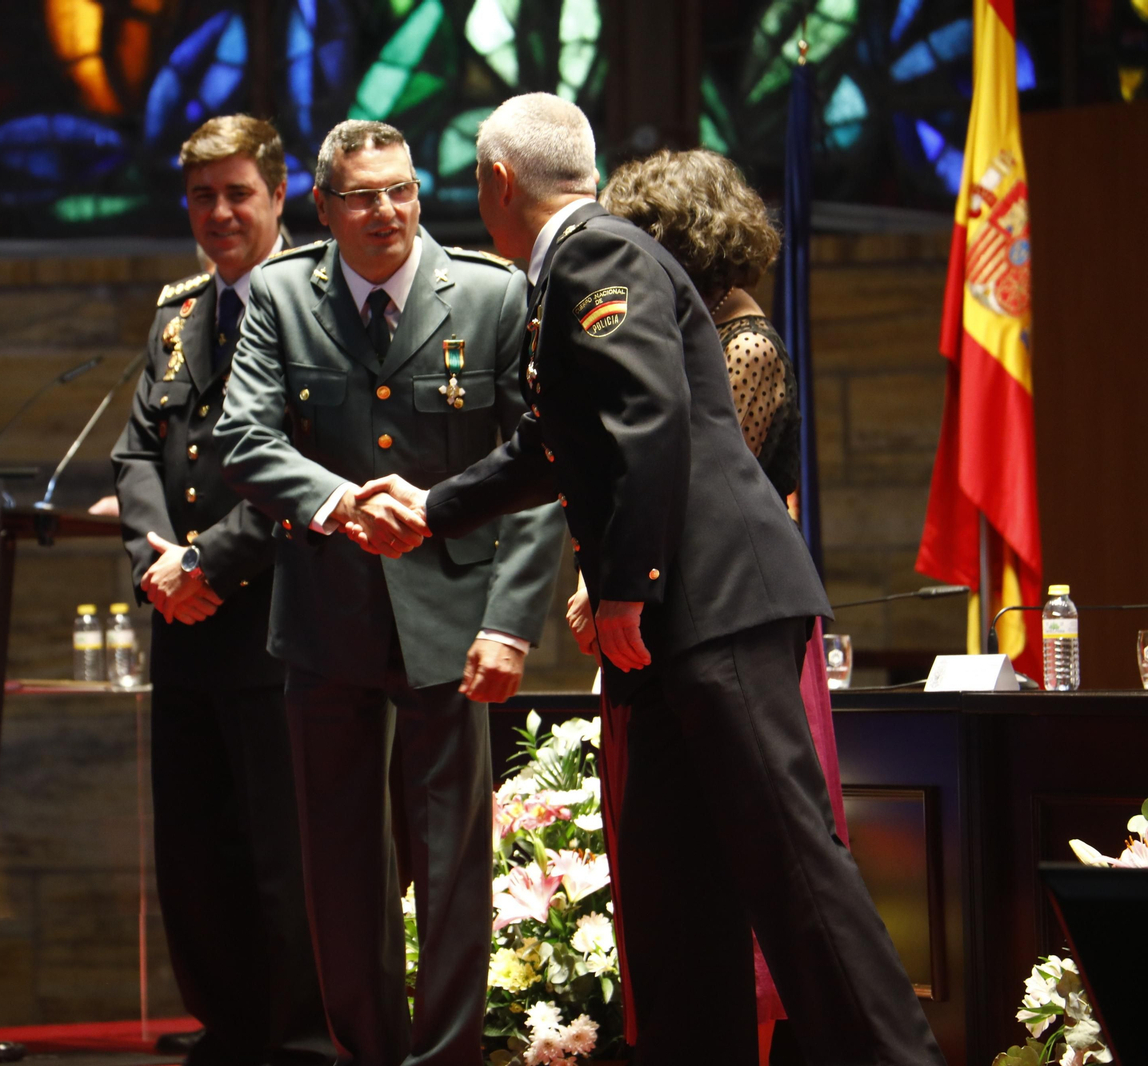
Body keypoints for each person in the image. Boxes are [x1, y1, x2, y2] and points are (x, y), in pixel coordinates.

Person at [351, 95, 944, 1066]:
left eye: (472, 183)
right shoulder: (576, 268)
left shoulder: (599, 253)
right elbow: (552, 446)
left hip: (711, 603)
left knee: (791, 868)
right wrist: (429, 506)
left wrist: (623, 582)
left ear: (498, 184)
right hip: (672, 621)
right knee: (671, 891)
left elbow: (647, 416)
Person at [214, 118, 562, 1066]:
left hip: (454, 622)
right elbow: (243, 438)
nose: (387, 212)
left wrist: (509, 622)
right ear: (323, 209)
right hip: (326, 620)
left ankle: (446, 1057)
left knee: (453, 866)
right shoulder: (284, 297)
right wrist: (334, 503)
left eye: (402, 190)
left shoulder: (491, 295)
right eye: (363, 196)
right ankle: (367, 1053)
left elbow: (541, 472)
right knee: (338, 869)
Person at [593, 147, 851, 1061]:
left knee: (762, 861)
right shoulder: (699, 339)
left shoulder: (740, 345)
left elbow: (686, 489)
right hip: (685, 625)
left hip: (731, 624)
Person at [110, 114, 331, 1066]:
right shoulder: (179, 313)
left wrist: (207, 565)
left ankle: (301, 1038)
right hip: (186, 626)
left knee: (286, 855)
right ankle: (229, 1026)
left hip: (280, 622)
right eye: (202, 196)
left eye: (238, 192)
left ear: (280, 196)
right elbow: (134, 451)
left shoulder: (319, 300)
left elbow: (313, 467)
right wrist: (157, 563)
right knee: (197, 853)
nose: (219, 213)